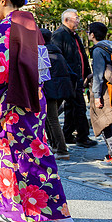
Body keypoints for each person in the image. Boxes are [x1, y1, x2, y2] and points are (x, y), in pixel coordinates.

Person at [0, 0, 77, 222]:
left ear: (3, 0)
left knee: (21, 154)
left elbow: (0, 70)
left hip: (12, 99)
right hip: (33, 95)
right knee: (28, 152)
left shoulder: (5, 26)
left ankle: (58, 217)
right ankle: (13, 209)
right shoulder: (29, 24)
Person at [52, 8, 97, 148]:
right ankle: (82, 137)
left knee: (73, 107)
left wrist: (87, 73)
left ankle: (67, 134)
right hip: (68, 78)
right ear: (66, 20)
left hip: (77, 77)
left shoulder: (74, 35)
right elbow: (58, 59)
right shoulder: (59, 35)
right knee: (78, 107)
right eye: (75, 18)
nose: (78, 21)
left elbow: (81, 56)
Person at [87, 22, 112, 166]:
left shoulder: (98, 50)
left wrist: (97, 96)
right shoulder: (110, 48)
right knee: (109, 121)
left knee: (107, 121)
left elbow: (98, 75)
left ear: (92, 34)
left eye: (88, 32)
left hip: (105, 91)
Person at [41, 28, 74, 161]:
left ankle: (62, 150)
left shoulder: (44, 53)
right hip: (62, 90)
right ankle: (55, 146)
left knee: (52, 120)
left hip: (50, 91)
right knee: (49, 119)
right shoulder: (57, 52)